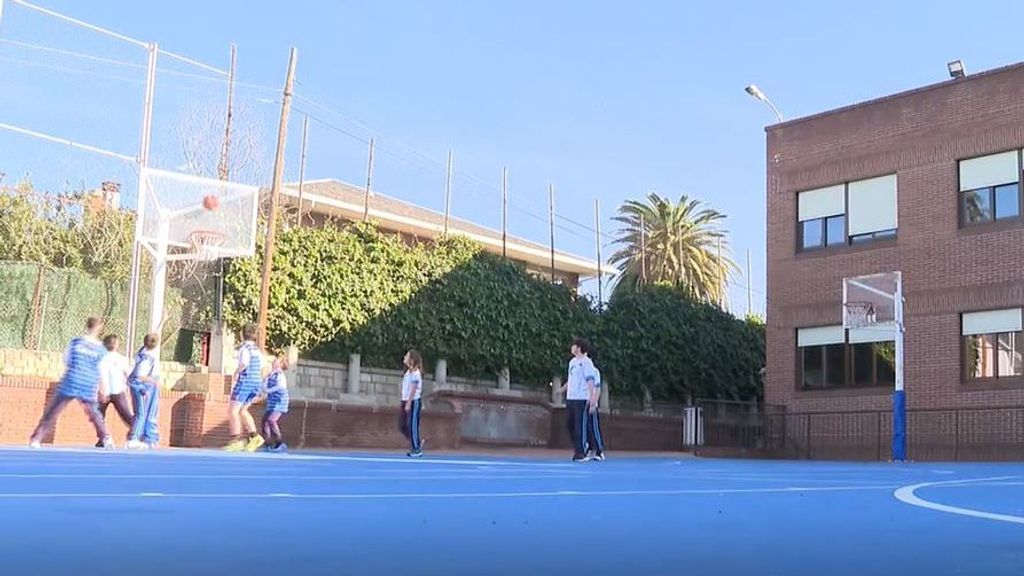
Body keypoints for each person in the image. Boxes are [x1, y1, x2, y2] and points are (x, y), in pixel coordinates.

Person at [29, 317, 113, 449]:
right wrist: (104, 390)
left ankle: (36, 438)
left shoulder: (75, 343)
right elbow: (102, 371)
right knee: (94, 413)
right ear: (99, 329)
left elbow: (66, 360)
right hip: (87, 382)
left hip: (71, 380)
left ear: (87, 326)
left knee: (53, 411)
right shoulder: (100, 350)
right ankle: (106, 437)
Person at [225, 323, 264, 452]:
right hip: (256, 382)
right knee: (243, 410)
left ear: (242, 334)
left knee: (233, 410)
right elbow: (262, 367)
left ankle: (236, 439)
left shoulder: (244, 349)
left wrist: (236, 372)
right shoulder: (258, 350)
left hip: (245, 382)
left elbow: (244, 363)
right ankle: (254, 436)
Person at [563, 337, 598, 462]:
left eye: (573, 346)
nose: (571, 348)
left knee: (580, 426)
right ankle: (581, 446)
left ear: (578, 347)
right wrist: (562, 390)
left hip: (582, 398)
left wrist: (592, 397)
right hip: (571, 397)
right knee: (569, 424)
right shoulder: (572, 362)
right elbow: (571, 379)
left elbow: (590, 380)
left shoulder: (587, 362)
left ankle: (581, 452)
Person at [96, 334, 135, 447]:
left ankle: (103, 438)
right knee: (127, 415)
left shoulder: (100, 358)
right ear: (117, 345)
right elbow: (129, 374)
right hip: (118, 391)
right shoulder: (121, 359)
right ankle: (135, 435)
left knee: (99, 416)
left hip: (104, 391)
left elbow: (97, 375)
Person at [126, 333, 161, 450]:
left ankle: (136, 436)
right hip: (140, 387)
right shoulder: (147, 358)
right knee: (141, 413)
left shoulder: (143, 350)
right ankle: (134, 438)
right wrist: (152, 381)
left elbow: (153, 337)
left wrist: (162, 320)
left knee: (141, 413)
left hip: (137, 385)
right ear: (156, 345)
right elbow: (140, 375)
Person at [260, 355, 290, 452]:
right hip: (272, 401)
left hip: (280, 401)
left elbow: (280, 387)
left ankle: (280, 443)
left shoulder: (280, 375)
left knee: (271, 420)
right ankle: (267, 443)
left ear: (280, 364)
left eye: (276, 361)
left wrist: (268, 390)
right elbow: (264, 383)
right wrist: (264, 387)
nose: (273, 362)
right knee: (265, 421)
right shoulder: (271, 374)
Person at [398, 350, 424, 458]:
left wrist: (409, 403)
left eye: (407, 356)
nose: (404, 357)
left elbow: (413, 389)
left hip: (414, 401)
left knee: (413, 425)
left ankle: (416, 449)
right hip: (405, 400)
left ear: (412, 359)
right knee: (402, 425)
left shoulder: (415, 373)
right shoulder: (408, 372)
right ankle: (417, 442)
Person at [583, 360, 606, 461]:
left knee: (593, 427)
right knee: (585, 428)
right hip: (582, 403)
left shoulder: (594, 371)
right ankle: (590, 448)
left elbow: (597, 388)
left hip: (591, 403)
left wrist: (593, 402)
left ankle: (599, 450)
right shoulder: (580, 370)